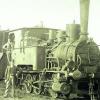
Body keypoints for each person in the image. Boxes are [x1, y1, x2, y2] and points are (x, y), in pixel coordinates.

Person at [3, 33, 15, 98]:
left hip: (11, 63)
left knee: (10, 79)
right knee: (9, 79)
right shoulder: (9, 43)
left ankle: (11, 94)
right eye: (12, 37)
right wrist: (8, 49)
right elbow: (3, 46)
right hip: (10, 64)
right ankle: (8, 94)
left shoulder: (12, 43)